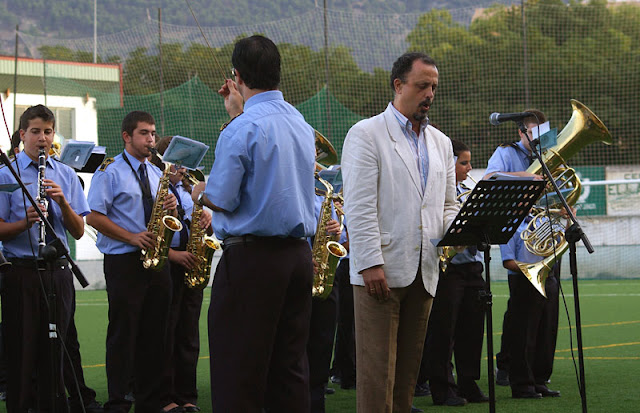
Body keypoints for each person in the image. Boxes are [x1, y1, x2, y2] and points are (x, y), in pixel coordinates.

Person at [190, 35, 316, 412]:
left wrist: (198, 190)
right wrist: (237, 112)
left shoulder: (242, 128)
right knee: (289, 369)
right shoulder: (300, 121)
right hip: (297, 257)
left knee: (238, 370)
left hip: (253, 260)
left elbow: (223, 197)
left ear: (237, 76)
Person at [341, 52, 459, 413]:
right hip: (381, 273)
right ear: (398, 85)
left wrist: (461, 229)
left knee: (407, 378)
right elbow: (358, 207)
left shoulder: (441, 142)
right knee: (378, 379)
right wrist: (370, 263)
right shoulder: (366, 133)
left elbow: (448, 205)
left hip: (424, 272)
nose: (429, 94)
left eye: (434, 87)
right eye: (422, 85)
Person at [86, 111, 180, 413]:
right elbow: (94, 216)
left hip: (156, 261)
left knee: (156, 333)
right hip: (124, 262)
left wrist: (173, 208)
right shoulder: (109, 170)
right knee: (123, 334)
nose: (151, 140)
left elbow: (167, 219)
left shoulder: (156, 172)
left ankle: (151, 400)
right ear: (127, 136)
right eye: (144, 134)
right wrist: (131, 237)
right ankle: (117, 401)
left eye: (153, 134)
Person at [0, 104, 90, 412]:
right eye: (35, 132)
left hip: (58, 272)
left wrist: (63, 203)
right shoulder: (5, 174)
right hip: (21, 272)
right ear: (23, 134)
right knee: (21, 352)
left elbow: (78, 231)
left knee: (57, 348)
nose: (42, 138)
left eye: (48, 132)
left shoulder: (65, 174)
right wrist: (24, 222)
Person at [484, 110, 561, 399]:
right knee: (524, 320)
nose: (541, 139)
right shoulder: (507, 152)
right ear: (522, 132)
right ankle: (521, 382)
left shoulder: (546, 157)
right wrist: (526, 176)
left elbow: (556, 191)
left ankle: (540, 378)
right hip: (520, 245)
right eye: (535, 133)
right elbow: (491, 177)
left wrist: (563, 208)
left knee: (547, 321)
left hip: (547, 244)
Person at [418, 139, 488, 406]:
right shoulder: (437, 192)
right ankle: (443, 387)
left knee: (472, 329)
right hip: (447, 269)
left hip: (471, 265)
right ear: (449, 164)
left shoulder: (469, 191)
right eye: (463, 163)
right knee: (443, 331)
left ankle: (468, 383)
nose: (469, 169)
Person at [155, 136, 212, 413]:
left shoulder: (189, 190)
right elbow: (151, 231)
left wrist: (207, 219)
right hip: (169, 265)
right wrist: (173, 255)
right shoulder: (159, 187)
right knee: (167, 333)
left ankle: (188, 394)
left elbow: (203, 230)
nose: (182, 168)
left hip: (192, 265)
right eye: (178, 163)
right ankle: (166, 396)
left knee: (188, 335)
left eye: (185, 164)